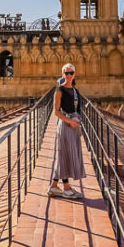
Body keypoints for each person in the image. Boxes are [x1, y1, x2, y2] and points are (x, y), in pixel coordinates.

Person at [48, 62, 86, 200]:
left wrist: (78, 124)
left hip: (74, 127)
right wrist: (70, 121)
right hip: (65, 125)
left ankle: (53, 186)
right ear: (62, 74)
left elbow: (77, 109)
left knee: (65, 155)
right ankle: (66, 188)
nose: (69, 75)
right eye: (66, 73)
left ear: (74, 74)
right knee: (63, 155)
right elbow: (56, 112)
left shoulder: (76, 91)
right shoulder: (59, 90)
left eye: (71, 73)